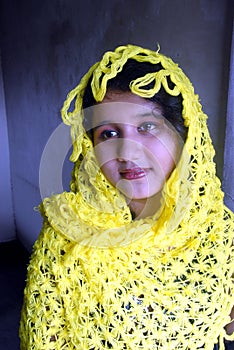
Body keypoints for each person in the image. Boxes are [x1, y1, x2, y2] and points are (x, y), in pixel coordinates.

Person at [19, 44, 234, 349]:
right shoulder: (67, 236)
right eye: (109, 133)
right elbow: (45, 339)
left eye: (147, 127)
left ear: (184, 135)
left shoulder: (218, 230)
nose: (128, 153)